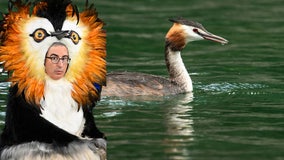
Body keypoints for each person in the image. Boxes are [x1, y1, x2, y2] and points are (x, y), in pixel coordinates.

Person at [0, 42, 106, 160]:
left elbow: (88, 125)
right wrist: (72, 144)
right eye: (54, 58)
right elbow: (26, 127)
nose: (60, 64)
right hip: (27, 150)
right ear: (42, 61)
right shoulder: (23, 88)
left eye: (64, 59)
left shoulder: (78, 89)